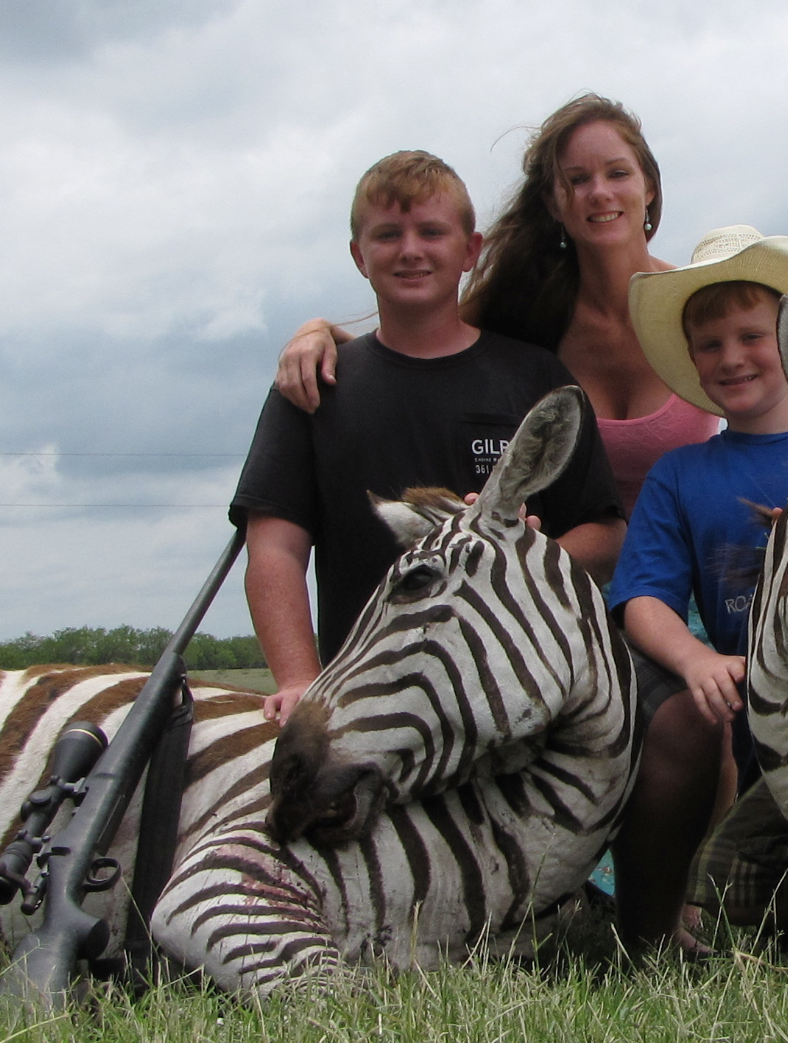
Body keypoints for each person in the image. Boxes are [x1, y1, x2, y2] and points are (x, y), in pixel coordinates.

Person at [233, 151, 624, 724]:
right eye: (388, 234)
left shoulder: (537, 379)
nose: (411, 249)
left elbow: (608, 533)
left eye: (432, 232)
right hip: (365, 704)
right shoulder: (314, 388)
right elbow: (273, 550)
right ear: (358, 257)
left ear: (469, 250)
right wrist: (298, 681)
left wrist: (527, 555)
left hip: (519, 693)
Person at [606, 226, 788, 948]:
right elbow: (644, 599)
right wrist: (695, 661)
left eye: (751, 335)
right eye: (710, 343)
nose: (730, 357)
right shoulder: (680, 475)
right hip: (766, 745)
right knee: (770, 926)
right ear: (691, 360)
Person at [274, 95, 721, 522]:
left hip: (693, 580)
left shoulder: (698, 307)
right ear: (552, 203)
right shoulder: (525, 308)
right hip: (558, 582)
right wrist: (317, 332)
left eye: (618, 173)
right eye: (577, 180)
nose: (599, 192)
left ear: (649, 188)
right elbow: (415, 355)